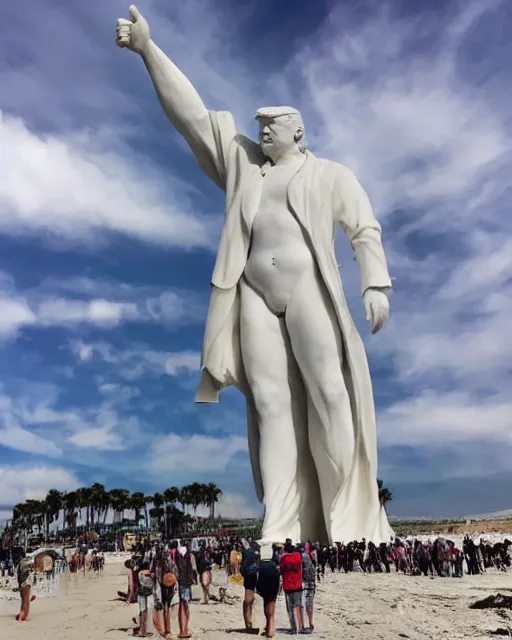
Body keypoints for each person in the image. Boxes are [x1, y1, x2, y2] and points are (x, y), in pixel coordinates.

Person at [116, 5, 393, 546]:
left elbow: (364, 229)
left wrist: (375, 282)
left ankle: (348, 522)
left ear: (298, 131)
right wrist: (149, 51)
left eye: (274, 125)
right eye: (260, 124)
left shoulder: (331, 174)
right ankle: (282, 524)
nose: (263, 129)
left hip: (309, 286)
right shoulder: (242, 165)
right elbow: (193, 118)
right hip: (253, 295)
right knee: (270, 404)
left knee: (329, 393)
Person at [280, 542, 304, 634]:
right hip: (297, 585)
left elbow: (281, 571)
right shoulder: (297, 556)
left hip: (287, 586)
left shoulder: (283, 559)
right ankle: (300, 626)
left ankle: (293, 628)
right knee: (298, 607)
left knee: (290, 609)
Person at [256, 555, 280, 638]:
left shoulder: (262, 566)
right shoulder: (275, 567)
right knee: (271, 612)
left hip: (265, 589)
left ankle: (269, 629)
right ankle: (270, 629)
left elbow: (259, 580)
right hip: (273, 589)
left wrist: (259, 590)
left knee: (267, 609)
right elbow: (278, 579)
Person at [175, 542, 196, 638]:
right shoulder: (190, 555)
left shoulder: (174, 554)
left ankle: (181, 629)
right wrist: (194, 580)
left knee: (180, 606)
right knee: (185, 604)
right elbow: (194, 569)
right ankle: (185, 630)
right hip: (186, 583)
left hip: (176, 583)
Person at [240, 541, 260, 630]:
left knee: (249, 600)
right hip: (251, 575)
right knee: (249, 600)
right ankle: (248, 622)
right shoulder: (254, 554)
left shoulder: (246, 553)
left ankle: (248, 621)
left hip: (248, 575)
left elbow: (242, 567)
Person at [299, 543, 316, 633]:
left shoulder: (301, 557)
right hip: (311, 583)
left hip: (303, 584)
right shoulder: (311, 557)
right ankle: (310, 623)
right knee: (310, 605)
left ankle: (302, 625)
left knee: (301, 605)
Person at [15, 553, 36, 622]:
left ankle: (21, 616)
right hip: (27, 583)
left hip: (22, 583)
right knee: (26, 601)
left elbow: (19, 575)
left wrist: (19, 584)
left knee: (24, 600)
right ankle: (22, 618)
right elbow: (32, 573)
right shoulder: (30, 562)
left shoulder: (21, 563)